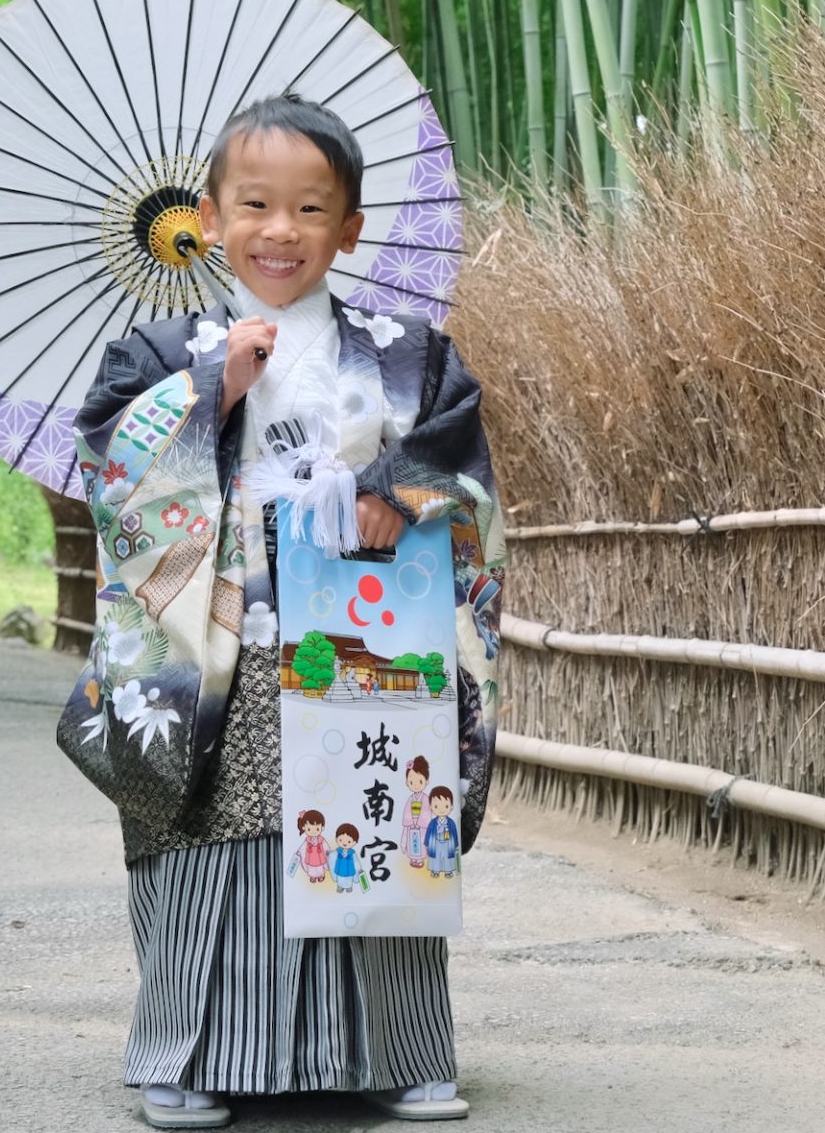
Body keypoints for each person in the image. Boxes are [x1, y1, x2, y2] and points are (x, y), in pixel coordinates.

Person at [58, 93, 509, 1130]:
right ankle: (188, 1051)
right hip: (218, 638)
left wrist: (397, 491)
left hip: (362, 616)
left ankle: (397, 1052)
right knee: (214, 835)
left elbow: (457, 454)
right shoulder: (162, 351)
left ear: (348, 230)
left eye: (311, 210)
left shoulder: (410, 351)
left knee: (376, 808)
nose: (281, 230)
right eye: (254, 204)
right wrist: (209, 389)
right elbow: (111, 462)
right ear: (208, 218)